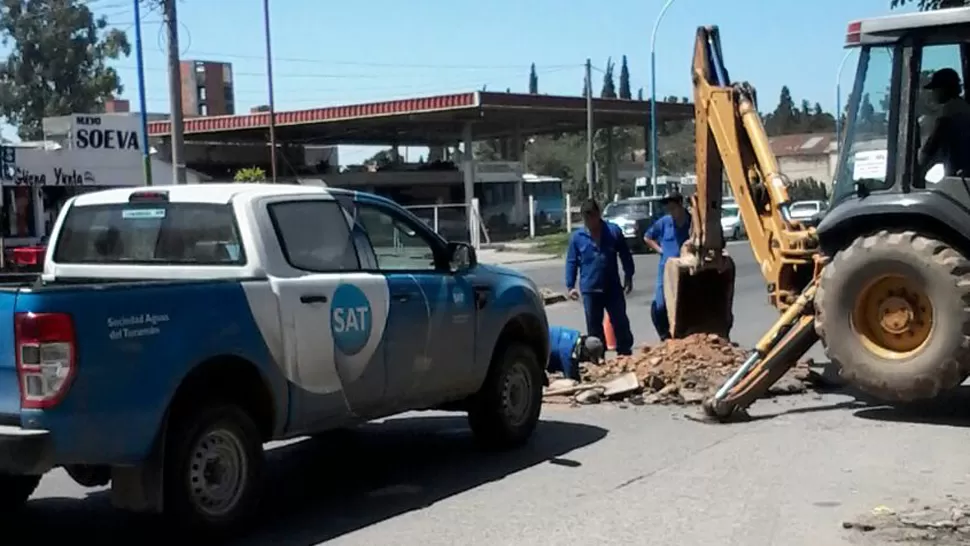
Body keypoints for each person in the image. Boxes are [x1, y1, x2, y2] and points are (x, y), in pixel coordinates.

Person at [565, 199, 635, 356]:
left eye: (593, 217)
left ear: (599, 215)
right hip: (590, 288)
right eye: (587, 218)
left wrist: (629, 275)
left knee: (619, 320)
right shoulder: (578, 238)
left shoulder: (613, 232)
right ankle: (598, 355)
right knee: (594, 326)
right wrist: (570, 286)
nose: (590, 222)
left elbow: (625, 255)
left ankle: (625, 351)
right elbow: (571, 262)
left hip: (612, 287)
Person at [643, 192, 691, 341]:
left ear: (680, 205)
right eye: (668, 208)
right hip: (666, 270)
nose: (671, 211)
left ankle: (683, 335)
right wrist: (660, 250)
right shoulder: (664, 222)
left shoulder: (692, 222)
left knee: (683, 306)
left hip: (686, 270)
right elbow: (647, 237)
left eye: (673, 207)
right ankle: (665, 336)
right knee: (660, 306)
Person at [918, 68, 970, 179]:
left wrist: (919, 169)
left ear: (944, 89)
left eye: (935, 89)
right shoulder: (962, 106)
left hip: (960, 175)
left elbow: (934, 142)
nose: (933, 93)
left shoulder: (950, 109)